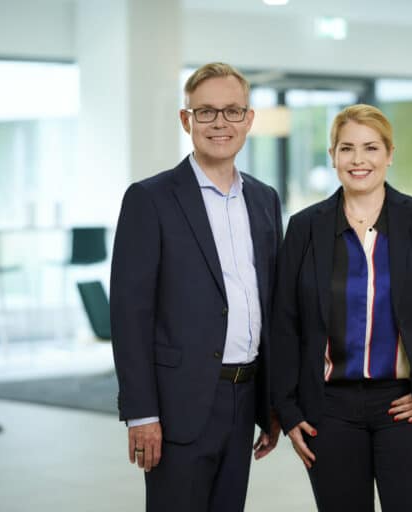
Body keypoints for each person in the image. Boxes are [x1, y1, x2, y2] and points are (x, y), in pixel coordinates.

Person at [271, 104, 412, 511]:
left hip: (409, 404)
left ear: (389, 153)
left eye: (370, 148)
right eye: (346, 149)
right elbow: (284, 323)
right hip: (328, 412)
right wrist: (288, 410)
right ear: (332, 156)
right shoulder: (305, 227)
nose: (358, 160)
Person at [110, 62, 282, 512]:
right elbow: (129, 315)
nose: (219, 123)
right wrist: (142, 413)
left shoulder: (264, 200)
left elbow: (272, 304)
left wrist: (273, 401)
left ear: (249, 119)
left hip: (246, 396)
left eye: (231, 111)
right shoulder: (149, 199)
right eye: (206, 112)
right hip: (177, 403)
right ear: (186, 120)